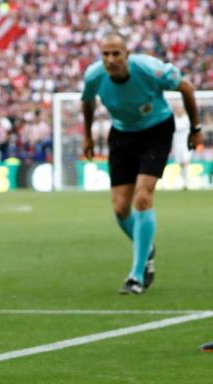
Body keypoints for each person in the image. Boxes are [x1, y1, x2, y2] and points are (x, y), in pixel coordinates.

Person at [81, 32, 202, 295]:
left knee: (143, 197)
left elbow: (186, 87)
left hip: (156, 131)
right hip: (122, 134)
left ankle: (136, 276)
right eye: (105, 54)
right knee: (120, 208)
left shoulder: (149, 69)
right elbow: (87, 100)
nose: (110, 60)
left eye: (116, 54)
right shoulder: (94, 76)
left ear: (127, 54)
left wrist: (195, 128)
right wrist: (87, 136)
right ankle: (147, 248)